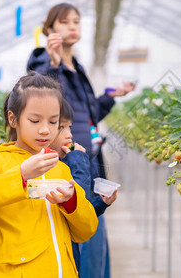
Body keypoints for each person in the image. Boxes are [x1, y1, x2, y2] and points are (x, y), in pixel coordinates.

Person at [0, 72, 98, 278]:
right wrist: (21, 175)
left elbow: (86, 230)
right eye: (35, 120)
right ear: (13, 119)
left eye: (53, 121)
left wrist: (72, 201)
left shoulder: (60, 168)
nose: (45, 130)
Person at [27, 2, 134, 278]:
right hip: (64, 159)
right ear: (49, 29)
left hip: (88, 157)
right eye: (65, 22)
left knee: (92, 223)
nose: (73, 26)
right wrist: (52, 64)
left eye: (77, 21)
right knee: (76, 230)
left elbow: (89, 115)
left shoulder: (77, 67)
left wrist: (111, 96)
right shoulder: (41, 62)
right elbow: (40, 98)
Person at [50, 99, 117, 274]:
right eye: (61, 128)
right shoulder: (48, 170)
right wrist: (79, 161)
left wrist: (101, 203)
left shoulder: (60, 166)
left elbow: (75, 212)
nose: (69, 135)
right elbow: (78, 198)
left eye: (69, 127)